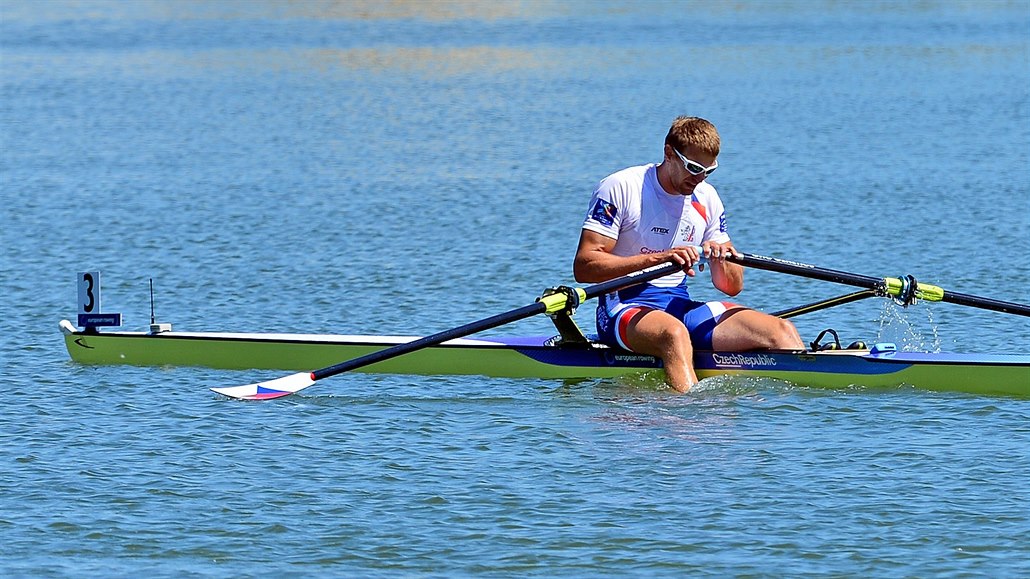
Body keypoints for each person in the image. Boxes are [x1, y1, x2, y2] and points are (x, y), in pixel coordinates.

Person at [573, 116, 804, 392]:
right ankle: (690, 416)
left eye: (709, 171)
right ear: (669, 153)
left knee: (782, 331)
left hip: (680, 307)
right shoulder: (621, 187)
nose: (699, 179)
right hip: (622, 306)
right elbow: (585, 266)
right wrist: (660, 258)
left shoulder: (707, 197)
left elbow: (731, 287)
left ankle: (803, 415)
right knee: (674, 334)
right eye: (693, 168)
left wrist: (722, 260)